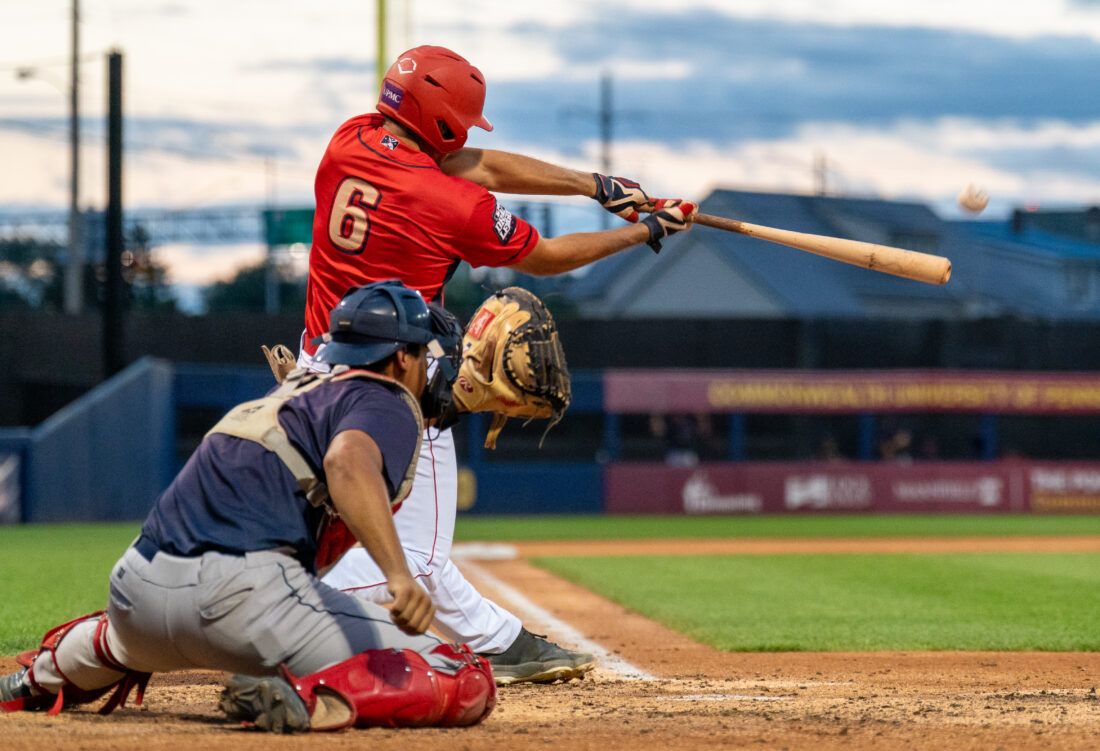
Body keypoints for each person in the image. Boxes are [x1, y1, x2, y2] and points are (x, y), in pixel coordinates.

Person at [299, 44, 698, 685]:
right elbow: (546, 256)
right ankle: (281, 614)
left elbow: (474, 163)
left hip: (312, 369)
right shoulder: (451, 206)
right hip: (389, 386)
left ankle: (498, 638)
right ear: (445, 120)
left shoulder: (351, 139)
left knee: (335, 524)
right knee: (417, 560)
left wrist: (596, 187)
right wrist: (646, 232)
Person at [1, 281, 496, 732]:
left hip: (136, 595)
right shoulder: (386, 397)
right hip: (242, 608)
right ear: (401, 359)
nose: (434, 366)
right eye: (425, 353)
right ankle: (304, 698)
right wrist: (399, 575)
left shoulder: (283, 398)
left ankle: (32, 681)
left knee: (115, 641)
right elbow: (347, 461)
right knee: (463, 671)